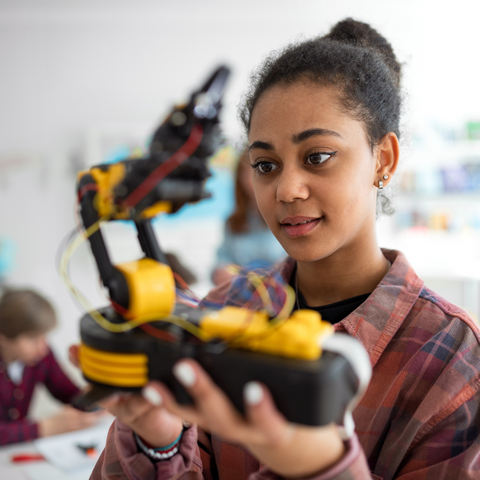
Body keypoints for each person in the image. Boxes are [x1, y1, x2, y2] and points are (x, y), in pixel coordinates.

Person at [84, 18, 480, 479]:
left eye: (317, 157)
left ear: (383, 160)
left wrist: (326, 467)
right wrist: (158, 440)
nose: (287, 189)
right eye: (265, 164)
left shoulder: (453, 361)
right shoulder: (220, 316)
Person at [0, 288, 103, 445]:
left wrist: (94, 400)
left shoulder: (41, 356)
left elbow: (68, 393)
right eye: (33, 338)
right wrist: (44, 428)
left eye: (44, 336)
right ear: (4, 337)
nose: (43, 347)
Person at [212, 149, 286, 286]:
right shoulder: (233, 222)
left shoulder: (289, 217)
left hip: (282, 296)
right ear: (239, 178)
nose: (254, 179)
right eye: (248, 173)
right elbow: (223, 259)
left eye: (263, 170)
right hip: (243, 299)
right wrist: (221, 271)